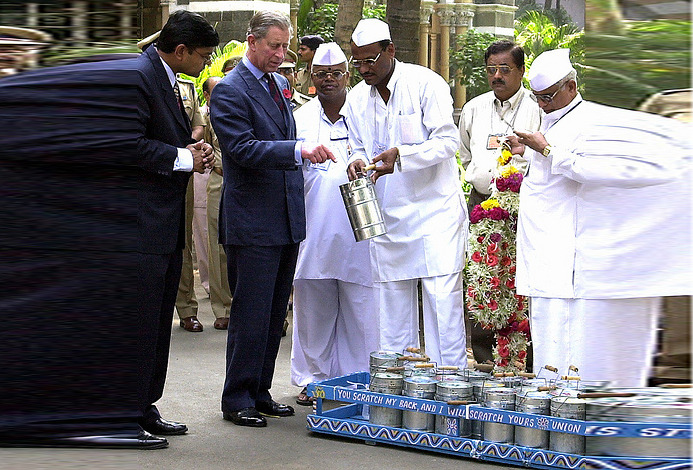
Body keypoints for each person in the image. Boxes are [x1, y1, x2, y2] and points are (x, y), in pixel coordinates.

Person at [0, 10, 217, 449]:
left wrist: (190, 149)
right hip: (131, 230)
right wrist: (182, 159)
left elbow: (152, 137)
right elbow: (124, 146)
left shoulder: (167, 78)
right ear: (180, 50)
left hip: (159, 227)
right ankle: (115, 415)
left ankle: (142, 406)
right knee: (130, 329)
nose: (206, 64)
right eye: (203, 55)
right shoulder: (136, 77)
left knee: (155, 328)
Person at [505, 49, 692, 387]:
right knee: (547, 329)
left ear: (571, 87)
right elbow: (550, 170)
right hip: (545, 249)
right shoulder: (550, 117)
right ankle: (549, 396)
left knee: (572, 334)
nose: (542, 105)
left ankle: (577, 402)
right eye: (536, 99)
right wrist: (529, 151)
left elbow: (595, 170)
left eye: (547, 97)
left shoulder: (593, 121)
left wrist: (546, 149)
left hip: (571, 252)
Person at [210, 10, 334, 428]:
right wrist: (298, 150)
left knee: (275, 312)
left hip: (285, 217)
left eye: (285, 46)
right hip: (252, 219)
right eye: (274, 46)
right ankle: (237, 396)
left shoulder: (279, 84)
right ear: (251, 40)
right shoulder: (229, 91)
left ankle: (260, 390)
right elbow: (242, 150)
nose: (282, 55)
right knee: (251, 311)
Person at [344, 19, 468, 367]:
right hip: (387, 218)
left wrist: (403, 156)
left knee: (442, 308)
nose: (364, 69)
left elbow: (447, 142)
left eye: (371, 60)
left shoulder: (426, 83)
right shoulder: (355, 99)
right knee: (392, 311)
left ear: (390, 51)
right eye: (358, 62)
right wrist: (354, 160)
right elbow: (355, 144)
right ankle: (401, 394)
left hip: (434, 217)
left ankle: (449, 388)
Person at [290, 43, 378, 406]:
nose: (329, 79)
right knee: (313, 309)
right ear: (313, 76)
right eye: (322, 73)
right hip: (314, 226)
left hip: (359, 228)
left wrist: (359, 159)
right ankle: (314, 380)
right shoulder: (299, 117)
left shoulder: (364, 112)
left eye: (337, 73)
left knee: (361, 306)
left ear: (348, 74)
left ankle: (359, 379)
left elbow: (373, 150)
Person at [457, 40, 541, 365]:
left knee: (519, 280)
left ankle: (522, 362)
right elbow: (466, 154)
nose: (497, 76)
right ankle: (482, 360)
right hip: (481, 201)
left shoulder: (537, 109)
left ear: (521, 70)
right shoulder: (474, 108)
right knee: (482, 278)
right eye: (491, 69)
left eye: (505, 69)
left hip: (523, 202)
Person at [202, 75, 233, 330]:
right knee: (216, 246)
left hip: (247, 184)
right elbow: (206, 148)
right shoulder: (205, 116)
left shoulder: (241, 109)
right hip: (219, 180)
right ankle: (222, 307)